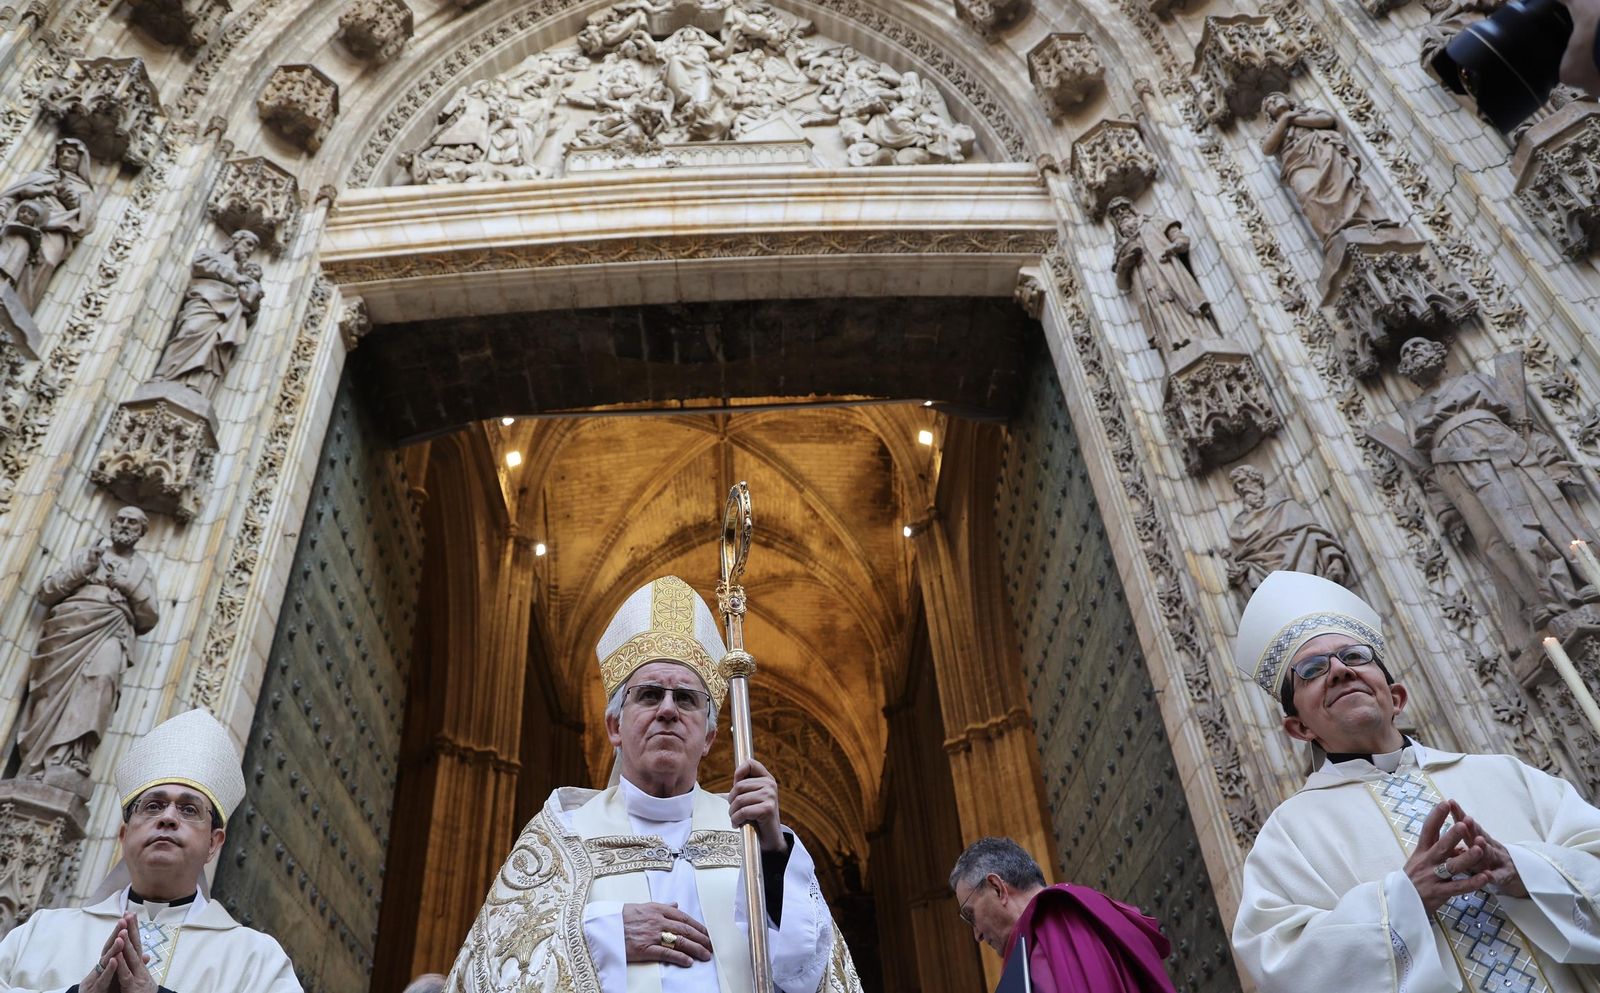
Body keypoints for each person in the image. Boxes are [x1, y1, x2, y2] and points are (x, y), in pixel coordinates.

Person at [445, 575, 862, 992]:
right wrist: (604, 935)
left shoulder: (751, 837)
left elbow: (811, 975)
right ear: (614, 726)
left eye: (686, 699)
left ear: (709, 738)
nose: (667, 710)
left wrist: (771, 854)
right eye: (648, 694)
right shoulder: (562, 835)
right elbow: (494, 965)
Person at [1230, 570, 1600, 993]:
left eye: (1354, 656)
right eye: (1312, 669)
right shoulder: (1288, 836)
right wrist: (1402, 904)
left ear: (1396, 697)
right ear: (1299, 729)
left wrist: (1526, 873)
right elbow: (1282, 968)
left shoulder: (1506, 775)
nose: (1338, 670)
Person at [0, 708, 302, 991]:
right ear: (124, 834)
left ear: (213, 842)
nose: (168, 817)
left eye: (188, 809)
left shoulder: (256, 960)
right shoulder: (41, 933)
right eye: (153, 806)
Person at [16, 506, 159, 792]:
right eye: (121, 520)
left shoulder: (142, 570)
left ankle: (74, 758)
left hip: (111, 632)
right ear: (111, 522)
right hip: (69, 631)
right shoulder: (89, 554)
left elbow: (150, 616)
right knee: (53, 692)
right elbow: (47, 591)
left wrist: (129, 588)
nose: (126, 526)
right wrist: (83, 568)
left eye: (133, 523)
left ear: (142, 532)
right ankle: (39, 760)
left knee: (102, 680)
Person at [948, 837, 1175, 993]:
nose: (976, 934)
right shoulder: (1097, 914)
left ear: (997, 888)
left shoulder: (1054, 924)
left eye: (970, 915)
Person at [151, 230, 264, 402]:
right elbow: (200, 264)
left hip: (228, 314)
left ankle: (197, 386)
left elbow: (250, 309)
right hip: (205, 300)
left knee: (215, 349)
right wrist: (237, 278)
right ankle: (165, 374)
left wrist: (252, 300)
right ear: (235, 240)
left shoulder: (247, 275)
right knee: (191, 330)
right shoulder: (211, 255)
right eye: (248, 244)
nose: (249, 250)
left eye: (253, 248)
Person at [1106, 197, 1218, 359]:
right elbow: (1122, 284)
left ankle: (1201, 335)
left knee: (1181, 303)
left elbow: (1182, 239)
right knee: (1163, 312)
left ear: (1132, 209)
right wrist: (1125, 263)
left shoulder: (1155, 222)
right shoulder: (1121, 248)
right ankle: (1176, 348)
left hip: (1170, 275)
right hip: (1148, 288)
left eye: (1124, 209)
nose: (1121, 214)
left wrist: (1173, 247)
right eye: (1116, 214)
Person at [0, 138, 96, 313]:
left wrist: (74, 200)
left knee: (47, 260)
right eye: (61, 152)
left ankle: (16, 314)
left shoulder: (85, 190)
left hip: (57, 227)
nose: (65, 155)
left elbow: (87, 223)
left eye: (71, 152)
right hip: (27, 219)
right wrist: (3, 208)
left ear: (80, 159)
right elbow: (12, 194)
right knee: (13, 250)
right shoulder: (41, 176)